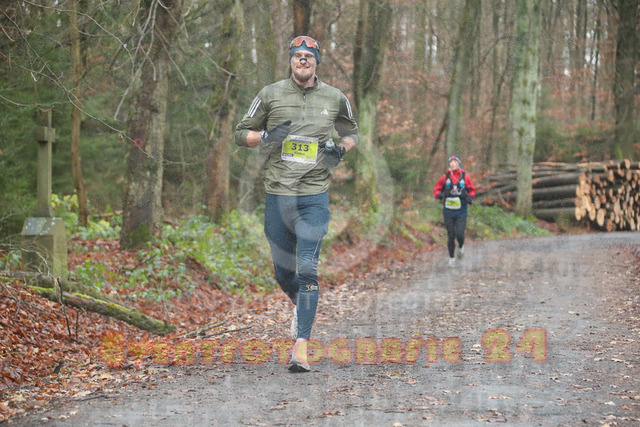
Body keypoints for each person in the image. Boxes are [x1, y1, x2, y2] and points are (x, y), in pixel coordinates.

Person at [234, 36, 358, 372]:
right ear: (290, 60)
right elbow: (240, 133)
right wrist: (264, 136)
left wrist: (340, 149)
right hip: (279, 193)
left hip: (314, 195)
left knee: (307, 268)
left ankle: (301, 346)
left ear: (316, 62)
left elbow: (351, 133)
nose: (303, 60)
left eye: (308, 56)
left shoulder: (335, 98)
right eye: (297, 56)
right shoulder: (270, 94)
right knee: (283, 270)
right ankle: (300, 306)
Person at [433, 155, 476, 267]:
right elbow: (436, 189)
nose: (453, 164)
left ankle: (461, 246)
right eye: (451, 162)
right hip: (448, 211)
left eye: (455, 161)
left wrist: (470, 197)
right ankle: (451, 258)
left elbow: (472, 190)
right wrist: (439, 195)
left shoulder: (465, 177)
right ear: (449, 164)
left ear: (458, 163)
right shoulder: (445, 177)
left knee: (460, 234)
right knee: (451, 235)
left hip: (461, 210)